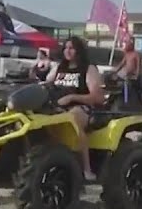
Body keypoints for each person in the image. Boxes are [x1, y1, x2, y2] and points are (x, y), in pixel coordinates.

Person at [45, 36, 106, 180]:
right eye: (66, 48)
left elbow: (97, 97)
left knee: (72, 119)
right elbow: (45, 85)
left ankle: (86, 169)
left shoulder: (88, 69)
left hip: (83, 108)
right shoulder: (59, 68)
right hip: (58, 107)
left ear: (79, 50)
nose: (68, 51)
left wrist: (72, 98)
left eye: (71, 48)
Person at [112, 37, 142, 106]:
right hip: (126, 75)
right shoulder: (127, 55)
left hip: (133, 76)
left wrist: (137, 75)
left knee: (136, 90)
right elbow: (122, 64)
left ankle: (138, 103)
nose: (126, 45)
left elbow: (138, 66)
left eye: (127, 43)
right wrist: (115, 71)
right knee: (118, 81)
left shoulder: (136, 54)